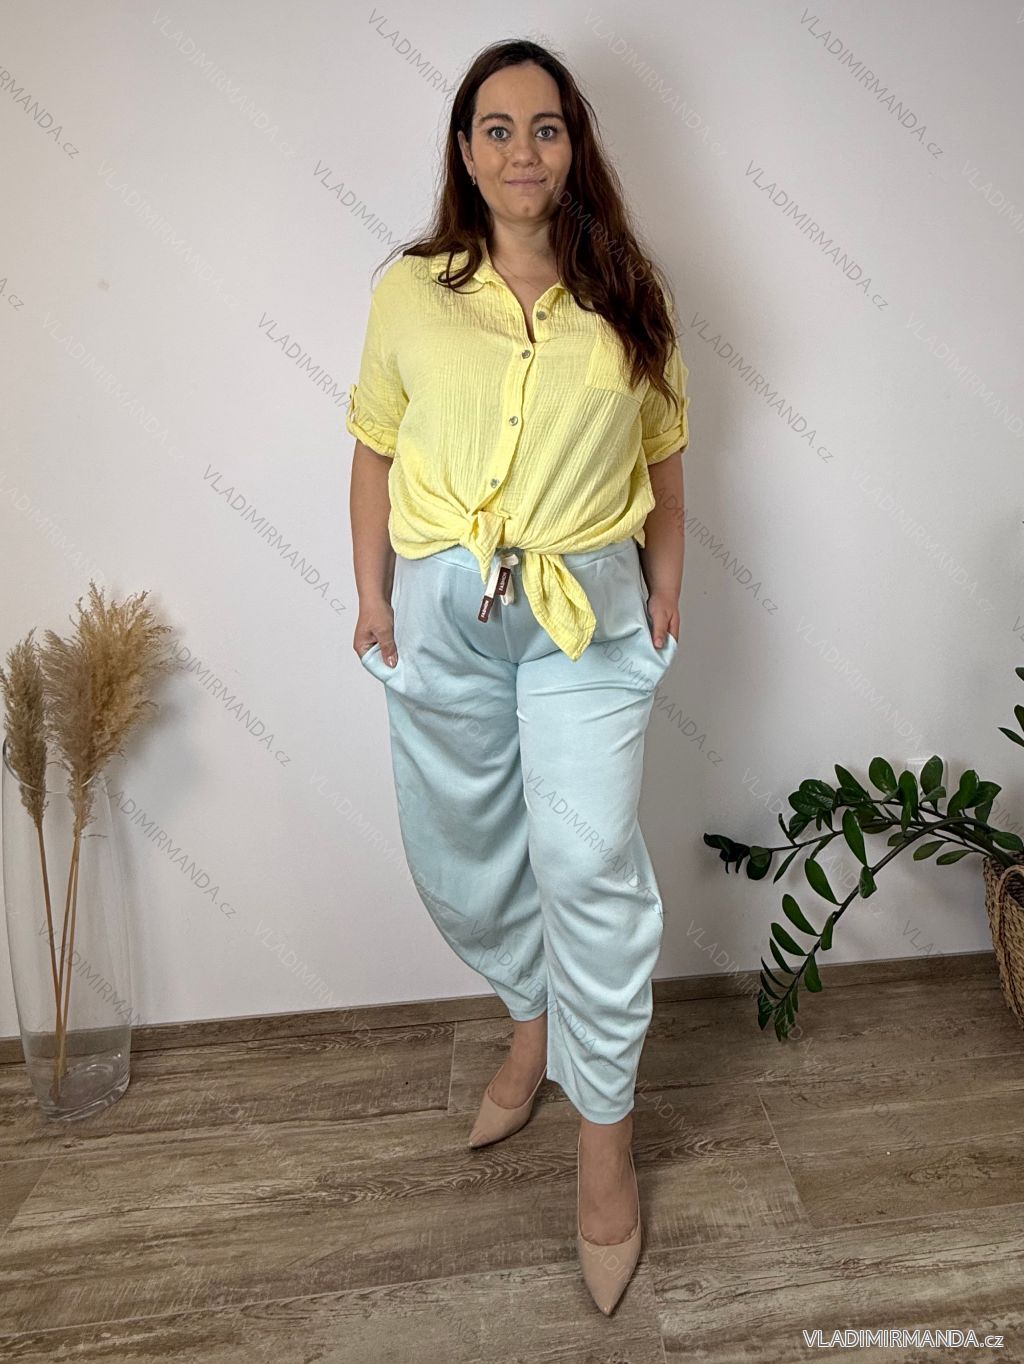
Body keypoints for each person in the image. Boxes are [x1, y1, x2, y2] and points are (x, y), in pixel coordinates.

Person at [347, 37, 690, 1317]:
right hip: (443, 607)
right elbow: (373, 448)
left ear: (573, 144)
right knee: (459, 844)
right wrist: (374, 593)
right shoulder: (410, 292)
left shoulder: (628, 291)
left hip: (584, 612)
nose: (521, 150)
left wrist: (666, 584)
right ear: (464, 149)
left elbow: (665, 453)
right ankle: (530, 1015)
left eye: (545, 127)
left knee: (587, 856)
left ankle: (605, 1143)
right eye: (496, 127)